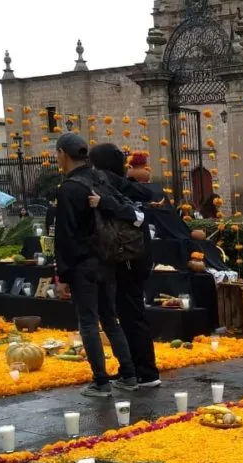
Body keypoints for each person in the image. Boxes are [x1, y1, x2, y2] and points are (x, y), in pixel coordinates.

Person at [53, 132, 139, 398]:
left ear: (62, 154)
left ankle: (101, 381)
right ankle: (128, 375)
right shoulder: (100, 178)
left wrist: (63, 274)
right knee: (109, 318)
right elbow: (129, 207)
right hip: (107, 259)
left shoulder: (70, 188)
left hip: (83, 264)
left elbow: (65, 235)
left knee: (88, 322)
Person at [89, 142, 162, 389]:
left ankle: (145, 372)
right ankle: (135, 369)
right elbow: (150, 194)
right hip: (137, 254)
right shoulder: (119, 181)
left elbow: (136, 213)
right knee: (130, 311)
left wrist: (104, 203)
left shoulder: (107, 181)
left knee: (131, 313)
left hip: (130, 256)